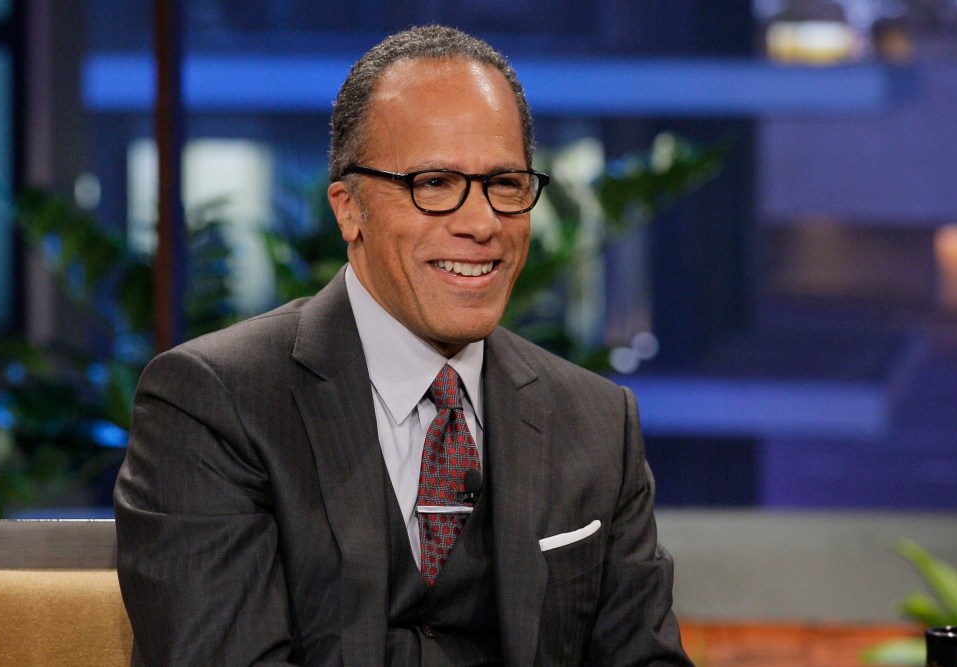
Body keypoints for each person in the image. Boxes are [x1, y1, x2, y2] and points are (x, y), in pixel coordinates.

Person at [115, 25, 692, 666]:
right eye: (435, 184)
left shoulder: (598, 423)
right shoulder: (213, 403)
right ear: (348, 208)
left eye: (505, 183)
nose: (481, 224)